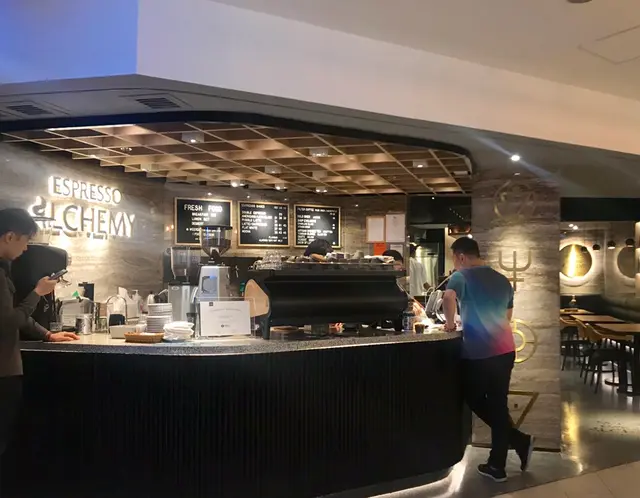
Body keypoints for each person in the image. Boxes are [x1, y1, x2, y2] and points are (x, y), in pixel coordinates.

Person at [442, 237, 534, 483]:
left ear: (461, 257)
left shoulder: (461, 276)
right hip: (505, 350)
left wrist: (450, 324)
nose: (455, 263)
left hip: (479, 352)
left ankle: (517, 442)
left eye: (454, 258)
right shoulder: (502, 279)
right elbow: (507, 315)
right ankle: (499, 463)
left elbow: (448, 298)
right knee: (498, 405)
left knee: (473, 398)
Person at [0, 209, 78, 468]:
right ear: (10, 236)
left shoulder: (5, 270)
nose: (26, 249)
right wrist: (37, 293)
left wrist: (47, 334)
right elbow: (9, 321)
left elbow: (11, 314)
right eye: (25, 241)